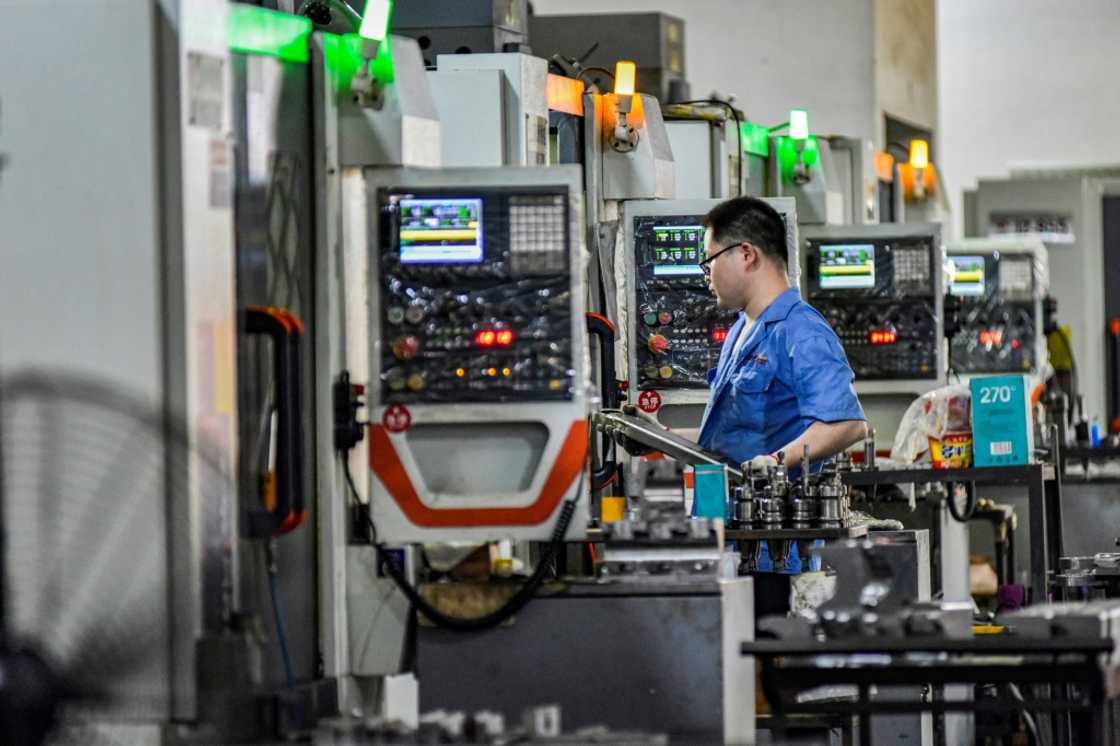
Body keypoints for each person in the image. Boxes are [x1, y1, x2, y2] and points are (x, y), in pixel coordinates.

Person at [680, 196, 867, 474]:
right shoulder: (741, 330)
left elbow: (847, 425)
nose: (706, 274)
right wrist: (657, 435)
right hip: (732, 507)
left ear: (747, 254)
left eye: (710, 260)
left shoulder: (800, 331)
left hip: (780, 511)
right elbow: (727, 441)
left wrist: (776, 461)